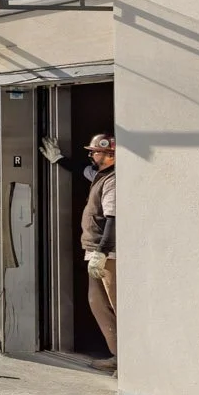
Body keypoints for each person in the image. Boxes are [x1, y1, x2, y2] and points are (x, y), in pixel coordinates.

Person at [79, 134, 117, 371]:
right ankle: (117, 355)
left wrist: (102, 252)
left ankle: (128, 363)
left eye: (95, 152)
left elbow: (113, 218)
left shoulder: (112, 181)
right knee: (98, 303)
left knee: (115, 304)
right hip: (95, 251)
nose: (91, 155)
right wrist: (59, 159)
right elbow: (81, 170)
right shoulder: (99, 176)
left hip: (108, 255)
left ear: (109, 155)